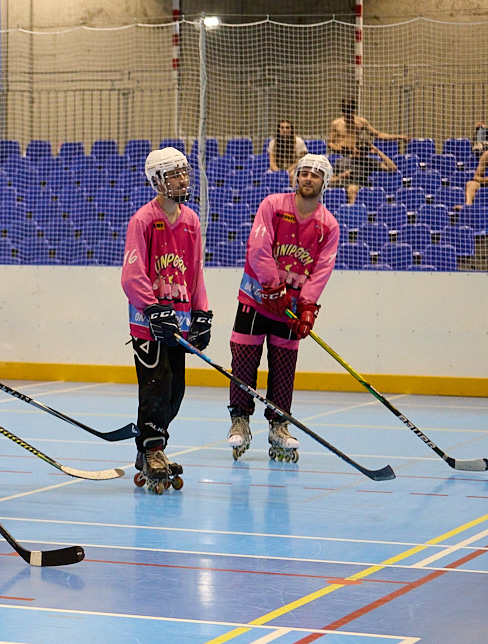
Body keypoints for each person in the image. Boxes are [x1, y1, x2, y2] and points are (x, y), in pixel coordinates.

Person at [227, 154, 339, 464]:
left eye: (315, 175)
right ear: (296, 177)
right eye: (303, 173)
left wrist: (307, 307)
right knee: (244, 361)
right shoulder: (273, 206)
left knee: (284, 367)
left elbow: (321, 270)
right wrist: (272, 285)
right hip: (256, 298)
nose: (308, 178)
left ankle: (279, 425)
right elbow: (258, 246)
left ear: (324, 182)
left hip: (288, 308)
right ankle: (240, 420)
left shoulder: (328, 225)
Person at [120, 147, 211, 494]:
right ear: (157, 181)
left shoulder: (190, 220)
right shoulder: (143, 220)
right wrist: (152, 307)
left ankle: (149, 446)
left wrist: (202, 311)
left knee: (175, 393)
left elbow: (195, 273)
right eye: (174, 174)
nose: (182, 180)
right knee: (155, 387)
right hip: (149, 324)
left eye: (184, 173)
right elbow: (131, 275)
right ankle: (153, 449)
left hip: (180, 322)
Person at [327, 98, 408, 155]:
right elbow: (330, 142)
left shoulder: (361, 122)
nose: (348, 114)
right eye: (345, 111)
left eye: (350, 111)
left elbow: (378, 135)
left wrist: (399, 136)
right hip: (341, 153)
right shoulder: (336, 123)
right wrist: (336, 148)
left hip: (358, 153)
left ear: (354, 110)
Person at [331, 139, 396, 204]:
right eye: (357, 152)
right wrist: (342, 176)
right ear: (354, 148)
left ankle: (351, 211)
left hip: (361, 189)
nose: (359, 155)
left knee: (352, 189)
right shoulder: (341, 161)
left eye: (361, 153)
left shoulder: (368, 161)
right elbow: (330, 180)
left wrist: (377, 151)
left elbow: (393, 168)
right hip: (341, 188)